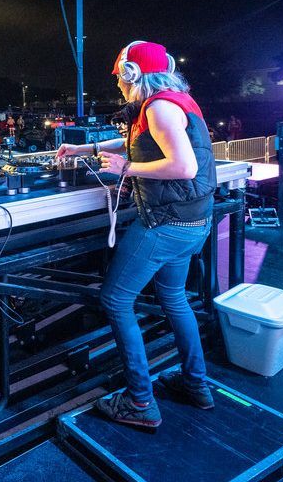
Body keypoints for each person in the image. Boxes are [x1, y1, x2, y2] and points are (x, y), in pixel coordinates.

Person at [56, 41, 216, 428]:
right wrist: (86, 147)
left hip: (167, 224)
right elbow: (140, 141)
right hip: (195, 222)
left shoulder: (158, 106)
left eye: (120, 78)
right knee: (175, 297)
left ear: (132, 74)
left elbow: (183, 167)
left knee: (115, 300)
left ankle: (140, 402)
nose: (118, 86)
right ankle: (197, 385)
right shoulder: (173, 100)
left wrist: (126, 168)